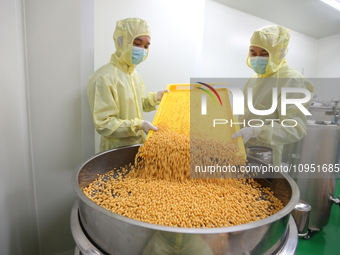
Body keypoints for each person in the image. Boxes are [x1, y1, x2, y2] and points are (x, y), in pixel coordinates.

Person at [232, 25, 314, 166]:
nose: (257, 58)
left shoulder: (292, 80)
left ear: (278, 53)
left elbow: (295, 128)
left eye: (264, 54)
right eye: (253, 53)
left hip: (265, 154)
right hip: (241, 149)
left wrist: (256, 131)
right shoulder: (254, 79)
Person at [87, 18, 168, 152]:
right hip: (115, 150)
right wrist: (139, 125)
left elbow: (138, 105)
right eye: (137, 43)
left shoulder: (134, 75)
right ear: (122, 42)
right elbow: (104, 124)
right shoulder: (103, 77)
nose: (142, 50)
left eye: (146, 46)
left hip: (138, 145)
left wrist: (155, 98)